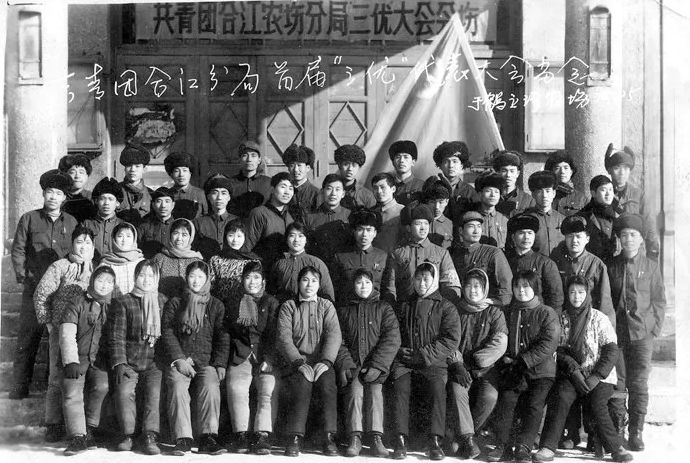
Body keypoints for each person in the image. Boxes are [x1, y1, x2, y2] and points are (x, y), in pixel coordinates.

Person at [534, 276, 633, 463]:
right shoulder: (563, 318)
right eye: (572, 292)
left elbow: (611, 350)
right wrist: (573, 371)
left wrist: (596, 376)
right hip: (573, 375)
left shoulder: (599, 318)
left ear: (587, 294)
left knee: (597, 403)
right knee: (561, 397)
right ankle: (548, 446)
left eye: (581, 292)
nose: (576, 296)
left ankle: (616, 448)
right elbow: (559, 350)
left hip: (599, 376)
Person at [10, 169, 77, 400]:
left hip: (61, 291)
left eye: (58, 193)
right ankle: (19, 387)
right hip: (34, 288)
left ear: (64, 198)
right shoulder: (29, 218)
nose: (53, 197)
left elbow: (76, 251)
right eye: (50, 192)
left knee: (57, 340)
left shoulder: (71, 222)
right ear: (43, 194)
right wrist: (23, 276)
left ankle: (53, 390)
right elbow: (18, 249)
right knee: (27, 338)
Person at [390, 263, 461, 461]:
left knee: (437, 389)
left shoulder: (446, 306)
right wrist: (398, 350)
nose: (422, 283)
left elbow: (450, 339)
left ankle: (435, 440)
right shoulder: (404, 305)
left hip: (433, 363)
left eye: (426, 279)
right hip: (406, 361)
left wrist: (424, 355)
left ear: (434, 280)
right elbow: (392, 332)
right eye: (418, 279)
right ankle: (400, 439)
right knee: (400, 388)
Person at [607, 214, 666, 451]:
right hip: (617, 335)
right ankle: (618, 430)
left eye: (633, 235)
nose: (628, 239)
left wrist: (654, 329)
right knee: (618, 382)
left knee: (639, 383)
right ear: (619, 239)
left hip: (642, 335)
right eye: (624, 235)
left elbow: (659, 301)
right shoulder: (611, 266)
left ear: (641, 239)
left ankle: (636, 432)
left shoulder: (651, 267)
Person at [488, 270, 560, 463]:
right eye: (517, 286)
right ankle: (502, 445)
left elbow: (548, 343)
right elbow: (501, 336)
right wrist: (507, 360)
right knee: (507, 400)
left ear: (535, 288)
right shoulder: (509, 312)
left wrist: (524, 361)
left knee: (534, 405)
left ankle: (524, 446)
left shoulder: (546, 312)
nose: (521, 290)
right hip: (514, 368)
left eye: (526, 286)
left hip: (540, 371)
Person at [34, 225, 95, 442]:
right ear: (72, 244)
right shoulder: (60, 266)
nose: (83, 247)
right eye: (79, 242)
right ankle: (53, 423)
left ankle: (83, 426)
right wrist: (48, 323)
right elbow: (41, 295)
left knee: (81, 377)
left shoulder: (96, 269)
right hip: (61, 330)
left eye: (88, 243)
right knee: (56, 375)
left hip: (85, 333)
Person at [161, 261, 229, 456]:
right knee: (177, 385)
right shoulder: (176, 303)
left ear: (207, 279)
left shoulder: (216, 305)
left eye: (200, 277)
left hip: (206, 361)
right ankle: (182, 438)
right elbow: (167, 332)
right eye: (192, 276)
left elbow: (222, 336)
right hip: (181, 360)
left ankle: (208, 437)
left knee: (210, 385)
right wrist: (179, 358)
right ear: (186, 278)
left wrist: (220, 363)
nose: (196, 281)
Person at [276, 266, 342, 457]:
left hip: (321, 362)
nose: (309, 285)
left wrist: (326, 361)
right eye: (305, 280)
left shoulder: (326, 306)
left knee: (328, 385)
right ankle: (294, 437)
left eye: (314, 281)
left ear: (319, 284)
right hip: (297, 362)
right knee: (302, 384)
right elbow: (284, 337)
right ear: (298, 283)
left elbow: (334, 334)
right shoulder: (289, 306)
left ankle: (328, 437)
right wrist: (298, 362)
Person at [335, 268, 401, 457]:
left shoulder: (383, 308)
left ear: (373, 285)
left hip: (376, 366)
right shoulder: (345, 310)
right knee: (354, 391)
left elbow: (392, 338)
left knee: (375, 392)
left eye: (367, 282)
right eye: (359, 282)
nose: (363, 286)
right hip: (354, 364)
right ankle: (355, 437)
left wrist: (378, 365)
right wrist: (346, 363)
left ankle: (375, 437)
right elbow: (338, 340)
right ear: (353, 286)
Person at [448, 268, 507, 460]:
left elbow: (500, 342)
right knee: (458, 391)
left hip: (486, 368)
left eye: (477, 286)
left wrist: (478, 361)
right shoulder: (456, 310)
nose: (473, 290)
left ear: (485, 288)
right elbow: (449, 340)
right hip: (461, 368)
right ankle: (468, 439)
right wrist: (457, 363)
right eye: (469, 286)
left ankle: (463, 436)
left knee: (489, 396)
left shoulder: (494, 311)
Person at [109, 259, 167, 454]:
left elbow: (168, 335)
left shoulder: (163, 301)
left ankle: (150, 435)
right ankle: (128, 434)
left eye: (151, 275)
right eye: (142, 275)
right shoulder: (124, 302)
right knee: (124, 391)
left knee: (154, 393)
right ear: (135, 277)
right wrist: (120, 362)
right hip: (130, 361)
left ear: (157, 278)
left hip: (155, 362)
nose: (146, 279)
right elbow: (117, 336)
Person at [224, 262, 280, 455]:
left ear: (263, 281)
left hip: (264, 356)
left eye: (256, 277)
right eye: (248, 277)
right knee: (237, 388)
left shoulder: (271, 302)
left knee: (267, 388)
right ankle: (241, 435)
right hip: (241, 355)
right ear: (242, 280)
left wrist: (269, 359)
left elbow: (275, 334)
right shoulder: (233, 302)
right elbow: (227, 333)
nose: (252, 282)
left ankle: (262, 435)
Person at [59, 266, 115, 455]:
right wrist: (70, 360)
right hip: (78, 358)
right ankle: (77, 436)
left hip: (99, 360)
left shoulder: (114, 306)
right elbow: (67, 333)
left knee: (102, 386)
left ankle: (89, 429)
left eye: (109, 282)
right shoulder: (77, 302)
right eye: (100, 280)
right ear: (92, 280)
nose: (104, 285)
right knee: (72, 390)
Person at [383, 204, 460, 304]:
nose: (423, 228)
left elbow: (451, 285)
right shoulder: (397, 253)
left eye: (426, 224)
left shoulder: (441, 253)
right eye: (418, 224)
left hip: (434, 307)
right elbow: (390, 287)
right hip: (405, 307)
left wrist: (444, 308)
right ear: (409, 227)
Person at [550, 215, 615, 326]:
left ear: (587, 239)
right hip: (563, 321)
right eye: (570, 236)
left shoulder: (596, 265)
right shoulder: (556, 261)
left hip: (588, 322)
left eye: (578, 236)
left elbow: (605, 303)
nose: (574, 241)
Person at [604, 144, 660, 259]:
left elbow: (650, 226)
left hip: (635, 253)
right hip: (610, 254)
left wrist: (652, 255)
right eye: (617, 168)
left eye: (626, 168)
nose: (622, 172)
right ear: (609, 170)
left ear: (630, 171)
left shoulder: (639, 195)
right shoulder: (602, 193)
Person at [450, 211, 513, 306]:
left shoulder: (493, 253)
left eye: (479, 226)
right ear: (460, 230)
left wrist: (492, 302)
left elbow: (506, 287)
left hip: (487, 308)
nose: (476, 231)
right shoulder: (455, 254)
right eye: (471, 226)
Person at [504, 214, 564, 313]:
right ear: (513, 237)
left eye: (530, 233)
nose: (526, 237)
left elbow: (556, 298)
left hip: (537, 315)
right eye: (521, 233)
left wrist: (551, 318)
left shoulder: (545, 263)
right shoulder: (505, 260)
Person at [332, 209, 388, 304]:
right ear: (354, 231)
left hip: (375, 306)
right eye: (360, 229)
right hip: (349, 306)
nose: (364, 234)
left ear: (375, 233)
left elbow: (387, 288)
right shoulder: (341, 257)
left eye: (369, 230)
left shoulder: (382, 256)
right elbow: (336, 288)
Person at [269, 222, 335, 302]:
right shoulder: (279, 264)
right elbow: (270, 294)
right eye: (292, 235)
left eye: (300, 236)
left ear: (306, 239)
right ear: (286, 239)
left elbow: (328, 296)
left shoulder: (317, 263)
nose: (296, 240)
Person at [244, 171, 296, 264]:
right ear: (272, 189)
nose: (287, 192)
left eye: (290, 188)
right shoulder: (259, 213)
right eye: (283, 187)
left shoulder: (291, 215)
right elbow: (247, 247)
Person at [208, 219, 261, 301]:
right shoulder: (216, 260)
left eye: (239, 236)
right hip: (220, 303)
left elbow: (257, 288)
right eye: (231, 235)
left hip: (245, 304)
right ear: (225, 236)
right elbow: (210, 286)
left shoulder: (253, 261)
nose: (235, 240)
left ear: (245, 237)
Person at [427, 141, 478, 225]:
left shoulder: (470, 191)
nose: (451, 166)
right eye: (446, 161)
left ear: (461, 165)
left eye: (455, 161)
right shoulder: (431, 188)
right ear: (440, 165)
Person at [152, 218, 204, 298]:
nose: (179, 238)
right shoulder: (159, 258)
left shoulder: (197, 261)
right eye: (176, 233)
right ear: (170, 235)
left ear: (191, 237)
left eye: (184, 235)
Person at [304, 173, 351, 262]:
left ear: (343, 194)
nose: (333, 193)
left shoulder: (350, 216)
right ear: (322, 191)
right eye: (329, 189)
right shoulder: (309, 217)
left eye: (337, 189)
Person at [193, 174, 237, 260]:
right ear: (208, 197)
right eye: (215, 193)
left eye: (224, 193)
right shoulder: (198, 223)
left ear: (229, 197)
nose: (219, 197)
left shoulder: (237, 221)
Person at [577, 175, 619, 265]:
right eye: (603, 190)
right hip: (591, 265)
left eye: (610, 190)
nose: (608, 194)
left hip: (614, 265)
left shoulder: (618, 215)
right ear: (593, 193)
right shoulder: (583, 216)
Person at [524, 170, 565, 257]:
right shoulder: (525, 219)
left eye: (548, 191)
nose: (544, 195)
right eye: (539, 191)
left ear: (554, 193)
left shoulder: (562, 219)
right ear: (533, 194)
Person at [83, 177, 124, 262]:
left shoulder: (123, 225)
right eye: (102, 199)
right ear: (96, 201)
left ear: (117, 203)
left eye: (111, 199)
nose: (106, 203)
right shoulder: (86, 224)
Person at [99, 222, 145, 296]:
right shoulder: (106, 263)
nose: (124, 240)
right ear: (114, 239)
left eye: (128, 236)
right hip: (113, 301)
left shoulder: (141, 262)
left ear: (134, 239)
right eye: (120, 236)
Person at [229, 140, 272, 218]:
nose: (249, 159)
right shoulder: (230, 183)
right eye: (245, 155)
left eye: (253, 155)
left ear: (259, 160)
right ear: (239, 159)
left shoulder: (269, 183)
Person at [164, 151, 208, 220]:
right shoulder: (167, 194)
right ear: (171, 174)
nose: (181, 175)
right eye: (176, 171)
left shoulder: (200, 193)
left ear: (190, 173)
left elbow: (206, 217)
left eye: (184, 170)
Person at [117, 143, 153, 226]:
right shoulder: (115, 190)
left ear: (144, 169)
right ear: (125, 169)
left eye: (137, 166)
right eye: (129, 166)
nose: (133, 169)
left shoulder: (151, 194)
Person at [544, 150, 588, 217]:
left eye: (566, 168)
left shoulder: (581, 199)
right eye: (557, 168)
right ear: (551, 171)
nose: (562, 172)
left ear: (571, 171)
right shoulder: (544, 195)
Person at [492, 150, 534, 218]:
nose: (508, 175)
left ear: (517, 173)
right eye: (504, 171)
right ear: (498, 172)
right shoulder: (491, 197)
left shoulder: (528, 200)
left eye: (512, 171)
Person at [137, 186, 176, 259]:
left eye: (167, 201)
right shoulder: (144, 227)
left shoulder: (178, 226)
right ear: (153, 204)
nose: (163, 206)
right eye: (159, 201)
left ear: (173, 205)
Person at [334, 144, 376, 210]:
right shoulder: (328, 192)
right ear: (339, 165)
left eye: (354, 165)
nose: (350, 169)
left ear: (359, 167)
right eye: (346, 164)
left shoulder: (367, 195)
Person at [473, 172, 509, 249]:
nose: (493, 195)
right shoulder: (471, 218)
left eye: (496, 192)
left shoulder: (504, 220)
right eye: (488, 191)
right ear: (480, 194)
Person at [371, 172, 405, 253]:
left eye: (382, 187)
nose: (379, 191)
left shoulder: (403, 211)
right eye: (375, 188)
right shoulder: (371, 213)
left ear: (393, 189)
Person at [59, 153, 96, 222]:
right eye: (72, 172)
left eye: (81, 172)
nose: (77, 176)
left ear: (87, 176)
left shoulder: (93, 198)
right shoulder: (59, 197)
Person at [283, 143, 320, 213]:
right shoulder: (283, 191)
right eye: (292, 165)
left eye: (299, 165)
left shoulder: (316, 193)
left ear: (308, 168)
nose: (296, 170)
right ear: (288, 168)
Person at [389, 140, 425, 206]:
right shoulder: (386, 185)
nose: (401, 161)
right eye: (398, 157)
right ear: (393, 162)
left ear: (413, 162)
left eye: (406, 157)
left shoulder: (422, 186)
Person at [422, 178, 453, 249]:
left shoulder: (451, 225)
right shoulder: (418, 223)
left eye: (441, 202)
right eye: (432, 202)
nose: (437, 207)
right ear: (427, 202)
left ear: (447, 202)